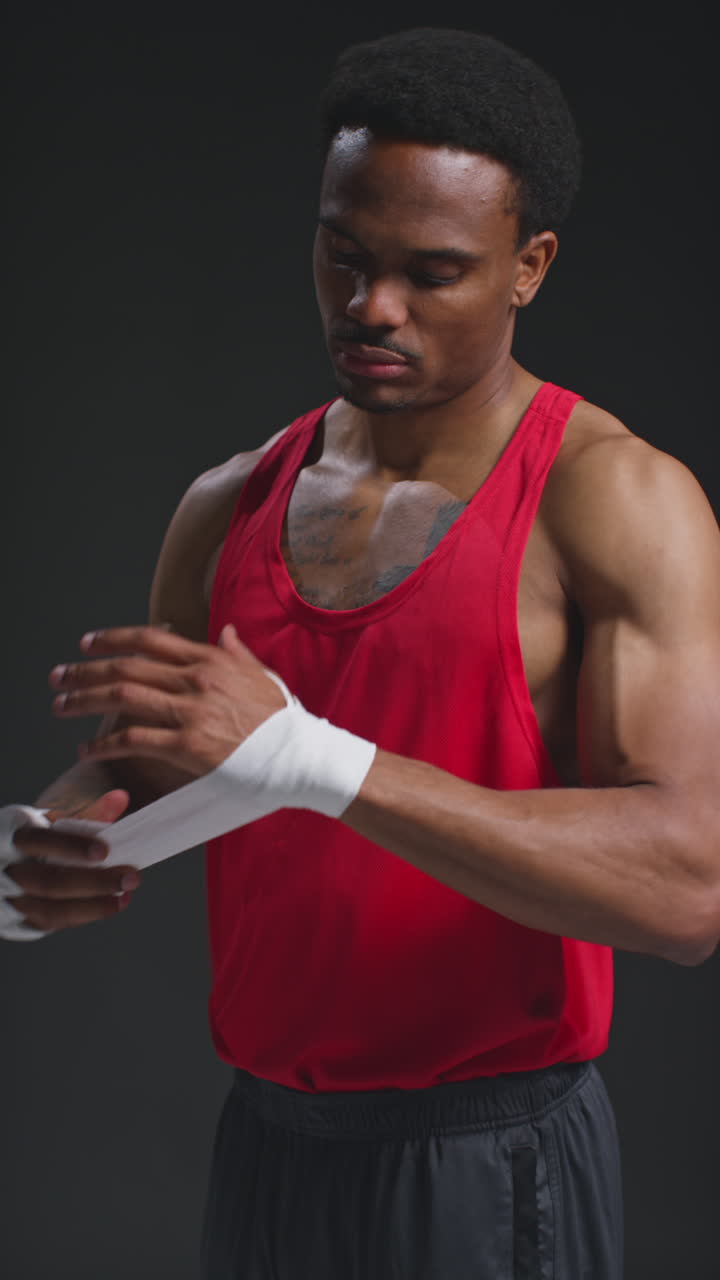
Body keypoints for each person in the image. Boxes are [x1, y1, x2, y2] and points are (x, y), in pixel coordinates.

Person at [2, 25, 720, 1280]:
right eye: (344, 256)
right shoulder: (230, 500)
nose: (370, 307)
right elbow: (169, 768)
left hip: (489, 1156)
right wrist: (39, 852)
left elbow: (687, 889)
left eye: (432, 273)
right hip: (269, 1139)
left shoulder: (610, 498)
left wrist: (314, 756)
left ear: (528, 267)